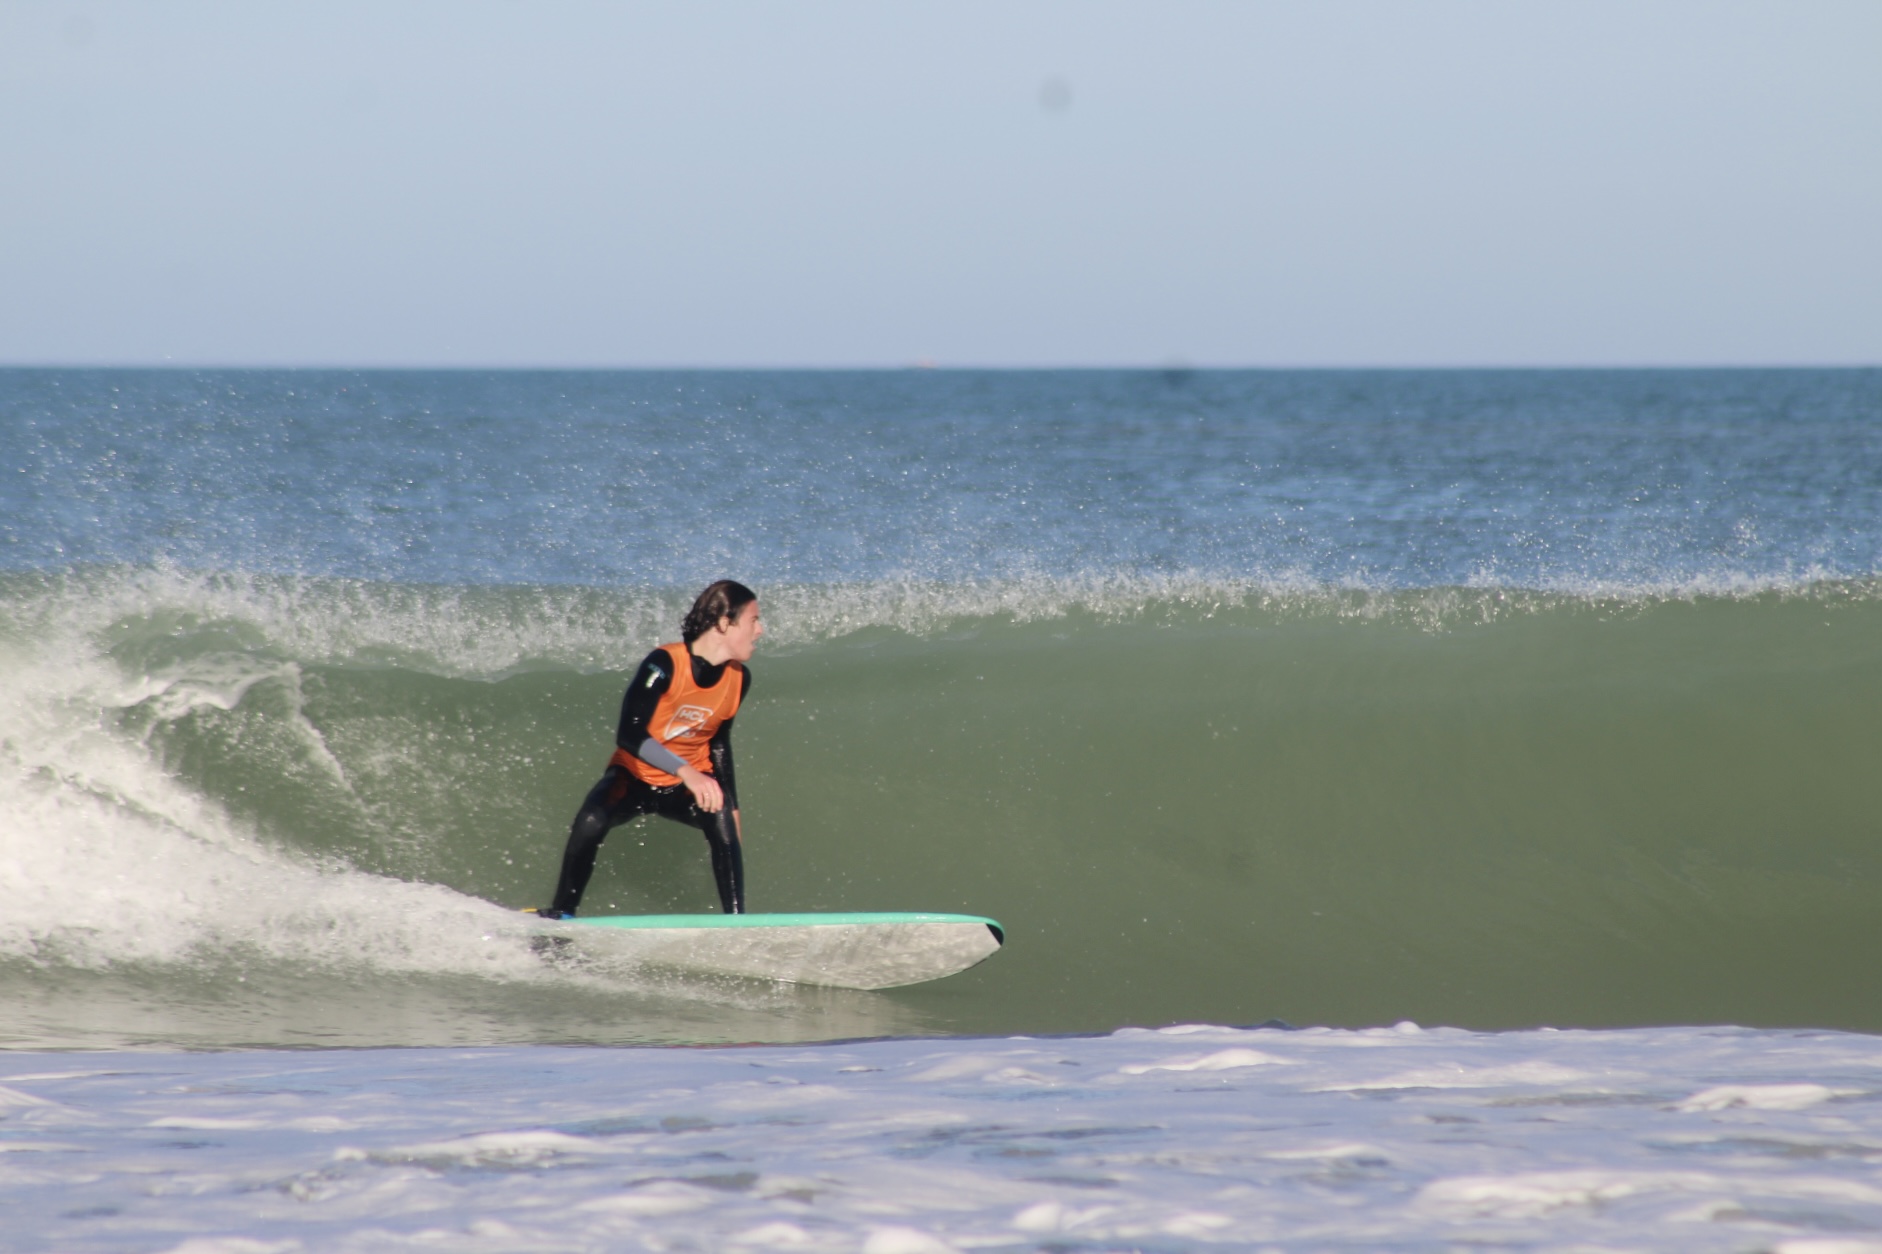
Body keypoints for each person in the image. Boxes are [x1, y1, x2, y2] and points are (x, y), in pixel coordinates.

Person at [537, 580, 762, 918]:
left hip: (684, 788)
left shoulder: (739, 678)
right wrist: (687, 772)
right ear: (724, 623)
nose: (760, 630)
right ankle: (562, 914)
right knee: (591, 819)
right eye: (753, 620)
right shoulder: (664, 664)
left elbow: (718, 743)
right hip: (634, 777)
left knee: (720, 812)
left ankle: (736, 921)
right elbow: (629, 733)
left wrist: (733, 809)